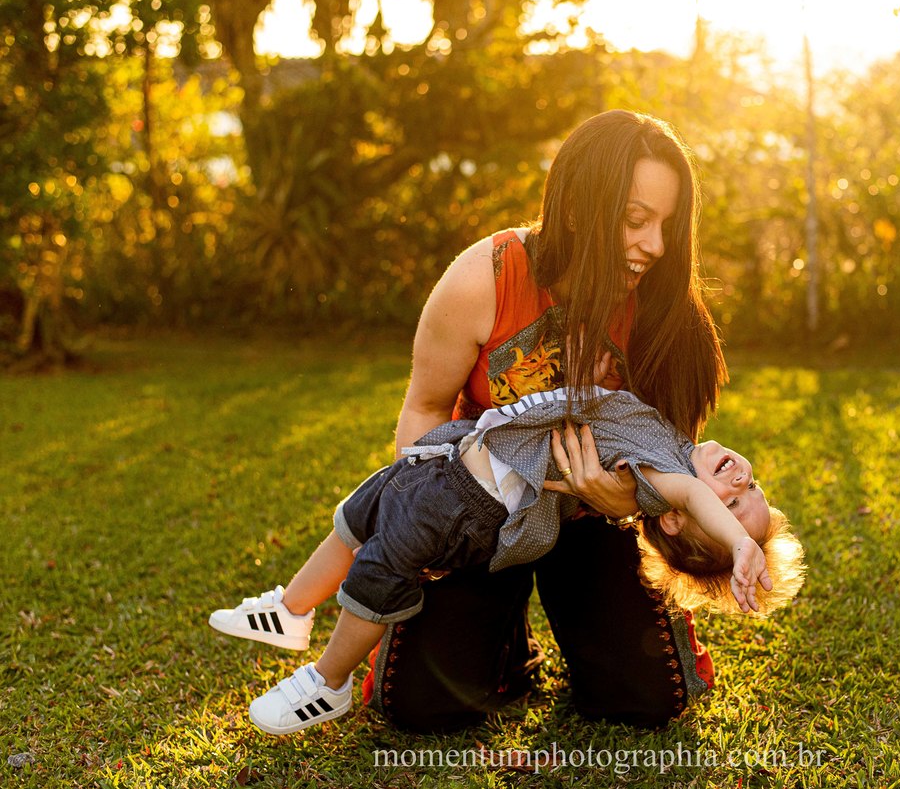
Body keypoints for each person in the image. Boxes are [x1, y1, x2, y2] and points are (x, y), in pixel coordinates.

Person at [223, 110, 753, 731]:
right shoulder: (488, 278)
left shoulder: (668, 311)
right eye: (636, 221)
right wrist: (436, 510)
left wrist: (616, 502)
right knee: (421, 707)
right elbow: (423, 410)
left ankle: (571, 626)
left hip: (594, 521)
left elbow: (672, 468)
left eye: (666, 225)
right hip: (479, 509)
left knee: (641, 700)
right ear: (581, 206)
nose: (656, 246)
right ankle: (501, 642)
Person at [210, 387, 805, 734]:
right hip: (450, 459)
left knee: (383, 565)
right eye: (753, 492)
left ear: (678, 519)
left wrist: (739, 544)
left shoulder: (669, 481)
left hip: (468, 506)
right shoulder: (669, 437)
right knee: (358, 515)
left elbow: (698, 494)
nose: (743, 484)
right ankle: (290, 610)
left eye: (734, 506)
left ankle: (328, 680)